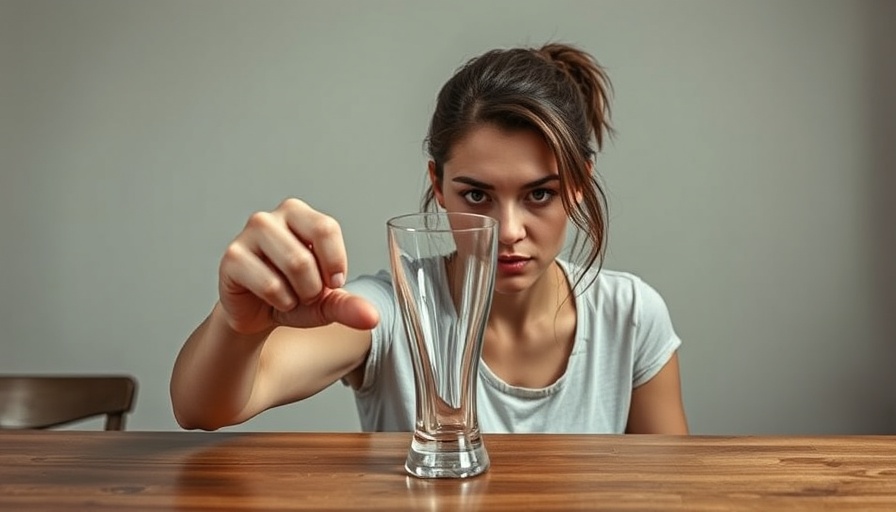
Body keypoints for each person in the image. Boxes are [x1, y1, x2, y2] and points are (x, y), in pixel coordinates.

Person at [170, 42, 689, 434]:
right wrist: (237, 324)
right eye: (478, 196)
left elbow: (668, 490)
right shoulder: (391, 310)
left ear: (577, 186)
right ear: (438, 186)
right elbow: (205, 409)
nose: (508, 232)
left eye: (539, 195)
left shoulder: (630, 315)